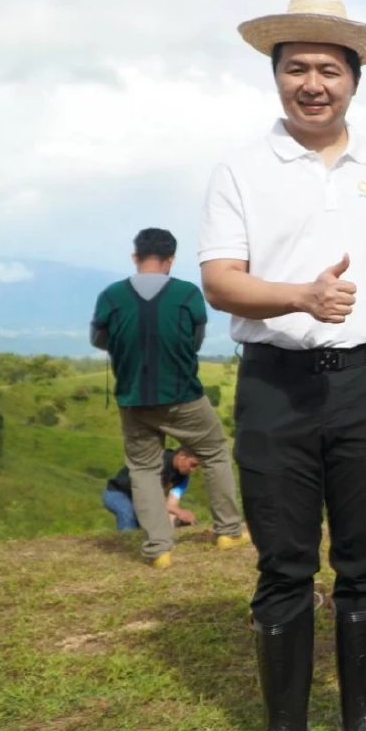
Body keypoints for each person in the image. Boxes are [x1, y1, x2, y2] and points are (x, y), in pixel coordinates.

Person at [199, 0, 366, 731]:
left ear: (355, 81)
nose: (314, 83)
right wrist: (300, 297)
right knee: (283, 558)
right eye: (298, 68)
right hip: (275, 384)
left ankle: (363, 721)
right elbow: (219, 282)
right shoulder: (242, 170)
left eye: (330, 70)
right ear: (276, 76)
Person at [90, 227, 245, 569]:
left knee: (143, 469)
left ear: (135, 257)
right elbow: (195, 340)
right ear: (171, 259)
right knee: (215, 452)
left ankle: (158, 549)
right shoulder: (187, 294)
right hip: (182, 395)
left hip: (132, 398)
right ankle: (228, 531)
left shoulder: (111, 296)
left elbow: (100, 339)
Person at [101, 445, 200, 531]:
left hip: (141, 499)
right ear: (181, 455)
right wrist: (180, 512)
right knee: (127, 513)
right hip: (117, 492)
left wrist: (177, 521)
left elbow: (171, 505)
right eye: (192, 465)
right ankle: (126, 544)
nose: (193, 470)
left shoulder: (183, 478)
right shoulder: (157, 463)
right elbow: (152, 500)